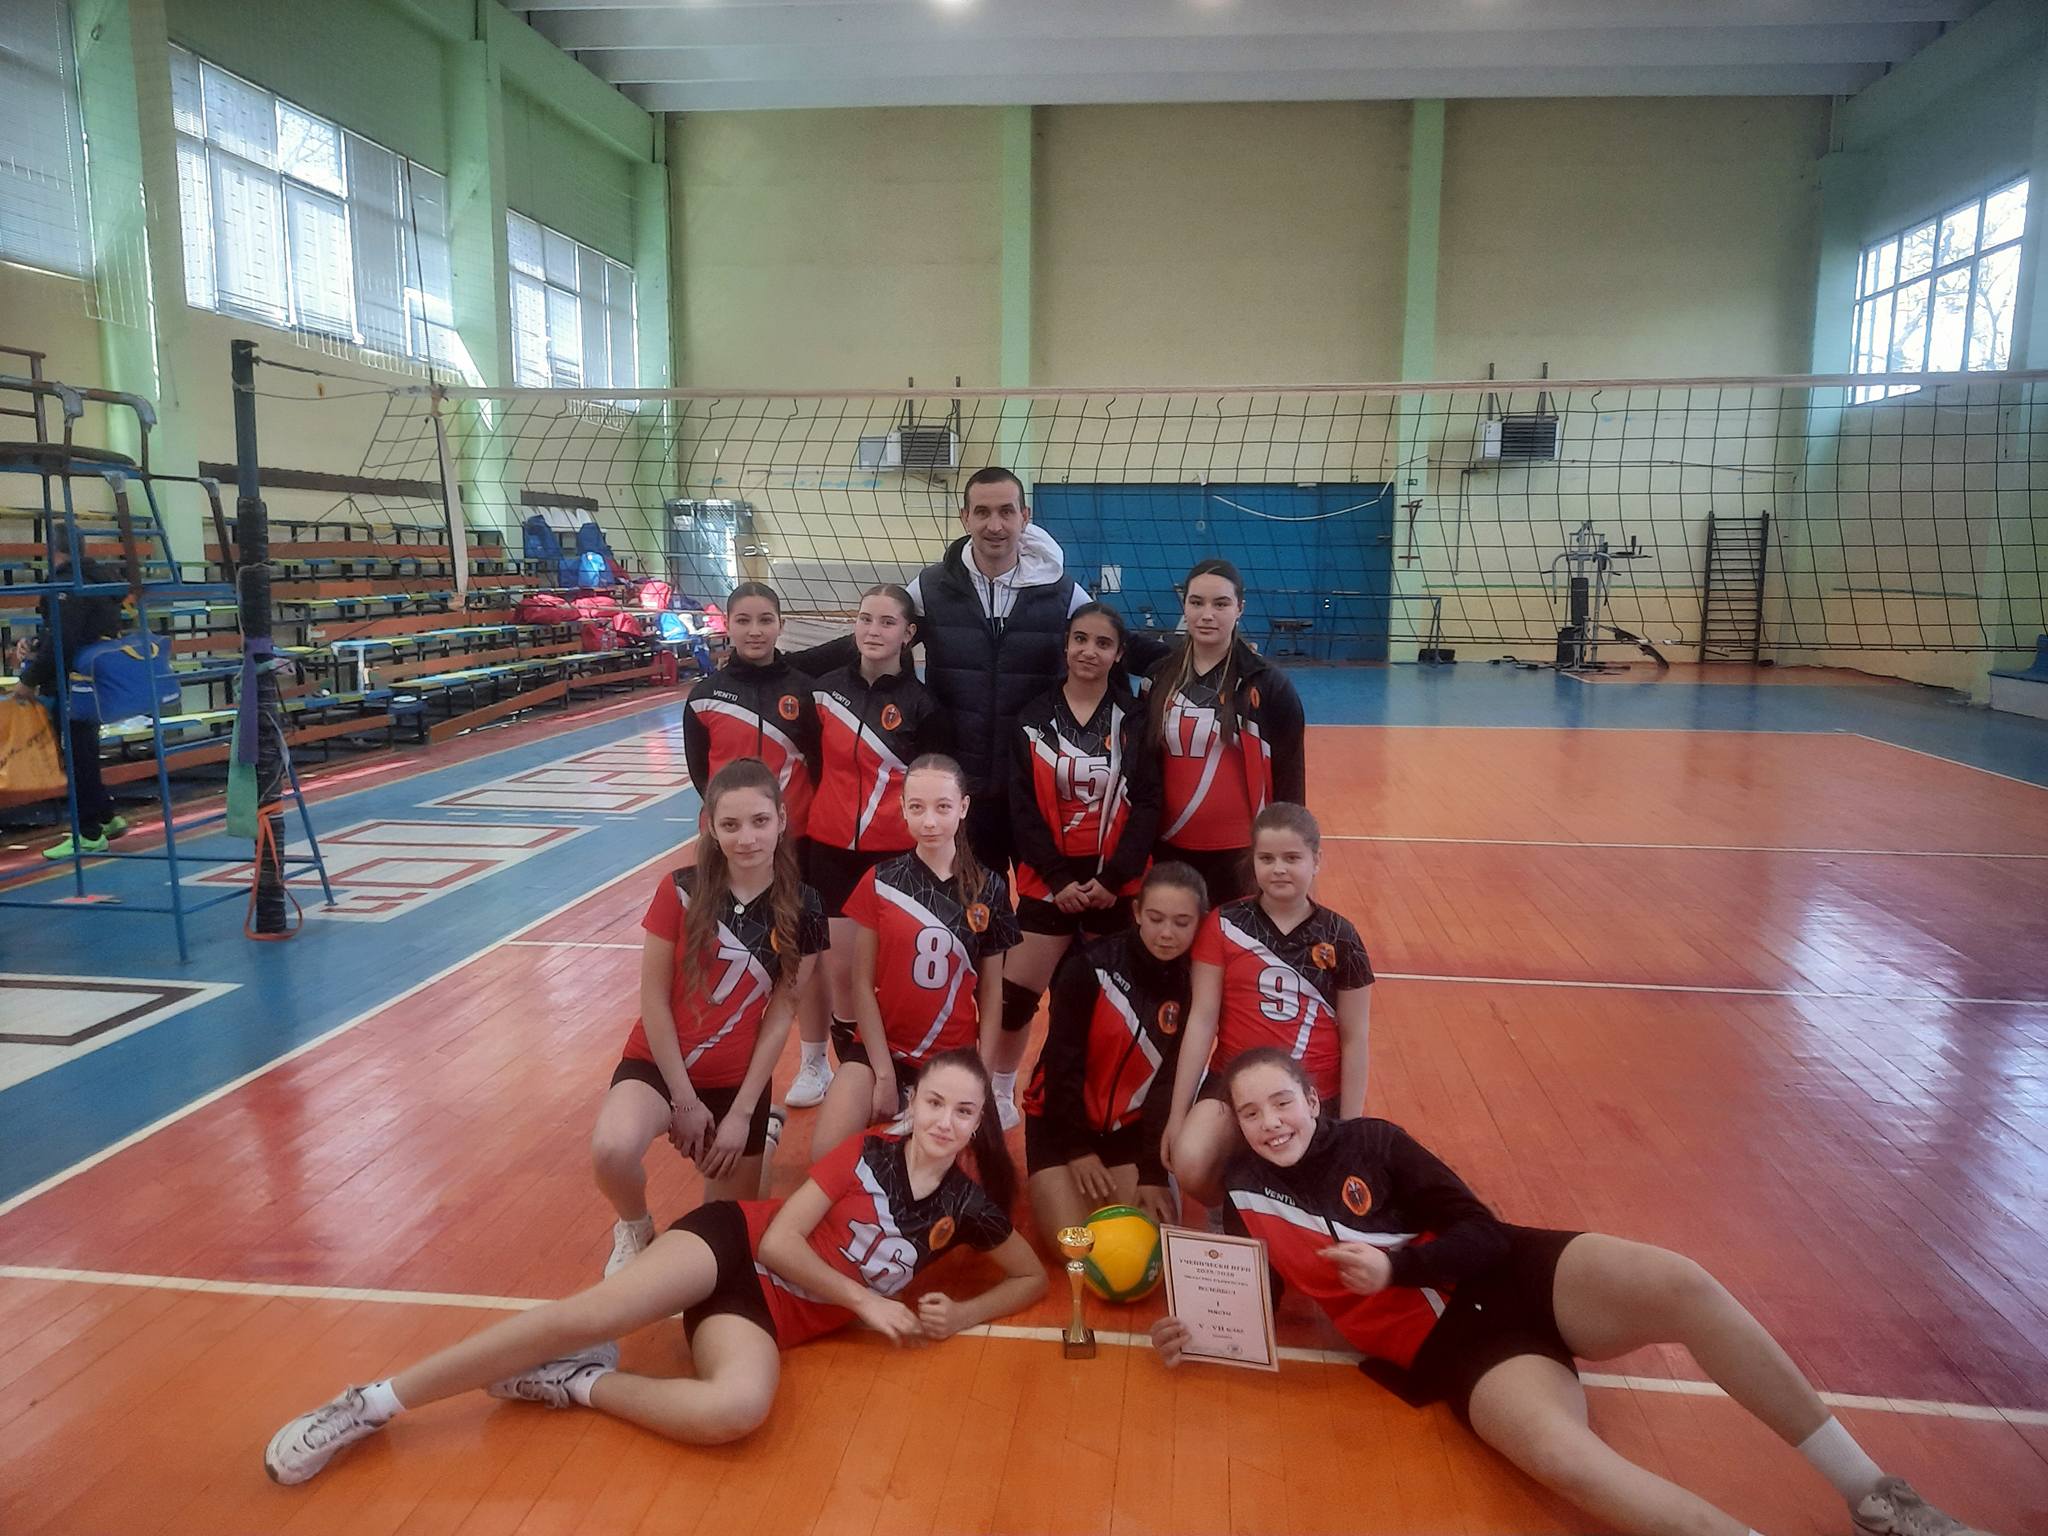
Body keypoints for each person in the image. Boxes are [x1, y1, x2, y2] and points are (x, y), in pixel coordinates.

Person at [1149, 1050, 1997, 1536]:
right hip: (1464, 1354)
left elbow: (1481, 1230)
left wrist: (1397, 1270)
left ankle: (1876, 1495)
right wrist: (1198, 1329)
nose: (1272, 1122)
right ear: (1237, 1128)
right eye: (1251, 1113)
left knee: (1682, 1282)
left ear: (1311, 1098)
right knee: (1567, 1461)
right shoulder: (1247, 1198)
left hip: (1520, 1274)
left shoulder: (1375, 1141)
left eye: (1282, 1102)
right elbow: (1255, 1297)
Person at [265, 1051, 1047, 1487]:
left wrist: (961, 1314)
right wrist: (863, 1302)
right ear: (914, 1102)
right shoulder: (868, 1152)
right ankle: (370, 1403)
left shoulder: (969, 1206)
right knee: (590, 1314)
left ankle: (576, 1384)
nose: (945, 1122)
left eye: (964, 1111)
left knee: (736, 1411)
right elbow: (781, 1242)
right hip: (733, 1245)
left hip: (761, 1317)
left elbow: (1030, 1279)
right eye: (935, 1103)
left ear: (982, 1121)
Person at [793, 468, 1134, 877]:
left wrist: (1181, 663)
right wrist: (780, 665)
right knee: (970, 903)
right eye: (983, 512)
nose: (995, 525)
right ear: (965, 517)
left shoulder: (1060, 590)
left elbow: (1116, 644)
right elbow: (877, 636)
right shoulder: (932, 586)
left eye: (1006, 511)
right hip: (962, 787)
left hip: (1036, 783)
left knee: (1043, 901)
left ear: (1025, 517)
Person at [593, 759, 829, 1278]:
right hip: (657, 1066)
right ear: (710, 827)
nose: (747, 838)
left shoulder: (806, 908)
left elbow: (780, 1016)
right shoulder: (679, 889)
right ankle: (635, 1229)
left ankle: (761, 1136)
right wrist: (683, 1101)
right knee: (611, 1149)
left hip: (734, 1084)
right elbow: (653, 1000)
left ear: (782, 820)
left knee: (725, 1244)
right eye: (731, 824)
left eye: (760, 821)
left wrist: (741, 1114)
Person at [992, 602, 1161, 1124]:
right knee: (1015, 997)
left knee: (1111, 998)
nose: (1090, 651)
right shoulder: (1032, 719)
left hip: (1115, 885)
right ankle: (999, 1091)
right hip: (1049, 882)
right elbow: (1021, 809)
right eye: (1080, 639)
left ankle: (1103, 1095)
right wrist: (1058, 877)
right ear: (1065, 646)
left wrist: (1114, 879)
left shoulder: (1135, 720)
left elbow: (1149, 804)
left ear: (1120, 654)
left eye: (1103, 643)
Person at [1163, 803, 1371, 1207]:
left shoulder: (1341, 936)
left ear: (1316, 860)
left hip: (1312, 1091)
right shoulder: (1224, 924)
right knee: (1190, 1160)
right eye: (1267, 858)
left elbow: (1355, 1037)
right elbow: (1202, 1020)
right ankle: (1232, 1210)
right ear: (1253, 861)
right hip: (1233, 1082)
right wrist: (1178, 1113)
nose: (1279, 869)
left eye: (1292, 858)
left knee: (1313, 1194)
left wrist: (1351, 1128)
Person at [810, 754, 1022, 1152]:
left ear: (963, 807)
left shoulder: (989, 888)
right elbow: (861, 983)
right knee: (825, 1153)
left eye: (943, 807)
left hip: (951, 1058)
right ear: (902, 809)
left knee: (937, 1168)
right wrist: (884, 1074)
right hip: (881, 1049)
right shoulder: (880, 880)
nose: (929, 821)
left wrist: (983, 1075)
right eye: (917, 807)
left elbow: (992, 993)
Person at [798, 583, 951, 1110]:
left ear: (909, 634)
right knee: (841, 975)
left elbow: (934, 785)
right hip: (832, 853)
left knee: (894, 976)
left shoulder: (925, 705)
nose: (873, 630)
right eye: (865, 619)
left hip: (896, 859)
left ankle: (906, 1078)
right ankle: (854, 1079)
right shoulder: (822, 693)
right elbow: (810, 761)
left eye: (887, 622)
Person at [681, 580, 831, 1104]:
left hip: (797, 843)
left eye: (765, 620)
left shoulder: (807, 692)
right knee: (722, 952)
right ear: (727, 625)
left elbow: (820, 763)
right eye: (743, 620)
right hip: (730, 849)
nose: (755, 630)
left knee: (807, 956)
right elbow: (702, 777)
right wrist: (735, 828)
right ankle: (720, 1056)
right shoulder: (703, 697)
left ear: (780, 625)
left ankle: (815, 1062)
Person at [1020, 862, 1205, 1240]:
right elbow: (1062, 1066)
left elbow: (1168, 1084)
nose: (1166, 933)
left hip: (1129, 1129)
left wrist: (1153, 1171)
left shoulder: (1194, 987)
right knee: (1075, 1243)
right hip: (1059, 1123)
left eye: (1182, 922)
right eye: (1155, 918)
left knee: (1150, 1243)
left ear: (1199, 922)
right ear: (1137, 912)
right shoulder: (1088, 968)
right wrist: (1077, 1150)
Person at [1145, 559, 1305, 907]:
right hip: (1168, 849)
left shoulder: (1269, 685)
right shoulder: (1158, 678)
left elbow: (1290, 779)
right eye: (1196, 602)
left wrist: (1287, 855)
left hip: (1240, 855)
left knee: (1233, 940)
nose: (1207, 615)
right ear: (1184, 606)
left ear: (1239, 608)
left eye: (1220, 604)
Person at [11, 557, 127, 859]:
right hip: (92, 680)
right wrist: (36, 643)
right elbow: (75, 631)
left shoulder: (68, 583)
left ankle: (88, 833)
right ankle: (105, 816)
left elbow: (65, 639)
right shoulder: (100, 579)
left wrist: (30, 679)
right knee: (85, 752)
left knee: (77, 757)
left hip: (72, 683)